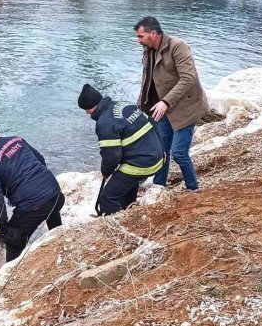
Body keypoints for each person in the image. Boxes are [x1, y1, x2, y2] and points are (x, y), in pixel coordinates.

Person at [0, 119, 65, 262]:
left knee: (13, 240)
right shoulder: (16, 140)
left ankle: (10, 278)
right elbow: (41, 159)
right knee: (50, 208)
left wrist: (3, 227)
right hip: (56, 193)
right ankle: (60, 244)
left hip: (34, 206)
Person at [135, 16, 210, 191]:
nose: (138, 41)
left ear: (153, 34)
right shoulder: (148, 50)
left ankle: (193, 188)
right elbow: (147, 80)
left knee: (179, 153)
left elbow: (188, 78)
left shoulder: (178, 46)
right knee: (162, 150)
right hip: (161, 108)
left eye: (140, 36)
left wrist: (166, 102)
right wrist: (140, 105)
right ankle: (159, 185)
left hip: (185, 107)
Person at [78, 84, 165, 215]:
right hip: (157, 155)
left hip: (143, 163)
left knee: (107, 198)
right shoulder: (126, 105)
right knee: (127, 184)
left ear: (91, 107)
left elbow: (111, 156)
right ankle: (128, 211)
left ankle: (113, 226)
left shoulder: (105, 123)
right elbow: (153, 124)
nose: (87, 113)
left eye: (86, 109)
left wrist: (106, 172)